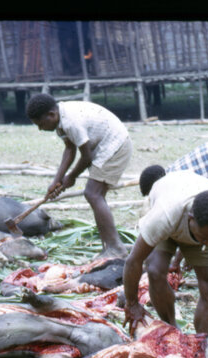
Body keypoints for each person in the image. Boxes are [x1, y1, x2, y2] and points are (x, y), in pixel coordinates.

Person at [124, 169, 208, 336]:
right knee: (155, 270)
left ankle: (202, 342)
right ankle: (172, 328)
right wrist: (132, 304)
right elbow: (133, 261)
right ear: (191, 218)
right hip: (170, 211)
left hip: (193, 212)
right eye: (204, 237)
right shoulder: (163, 215)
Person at [26, 93, 132, 258]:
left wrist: (71, 177)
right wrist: (57, 180)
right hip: (104, 145)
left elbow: (86, 157)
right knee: (95, 194)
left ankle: (115, 247)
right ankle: (109, 246)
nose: (40, 129)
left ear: (51, 115)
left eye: (41, 124)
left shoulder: (70, 122)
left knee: (93, 193)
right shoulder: (60, 118)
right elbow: (70, 149)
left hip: (115, 145)